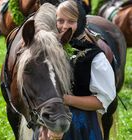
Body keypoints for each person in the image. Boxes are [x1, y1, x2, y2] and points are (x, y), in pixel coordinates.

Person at [39, 0, 116, 139]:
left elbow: (102, 100)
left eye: (71, 21)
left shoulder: (94, 57)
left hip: (80, 127)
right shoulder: (47, 51)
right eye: (60, 21)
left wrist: (67, 99)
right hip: (48, 122)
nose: (64, 26)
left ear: (80, 22)